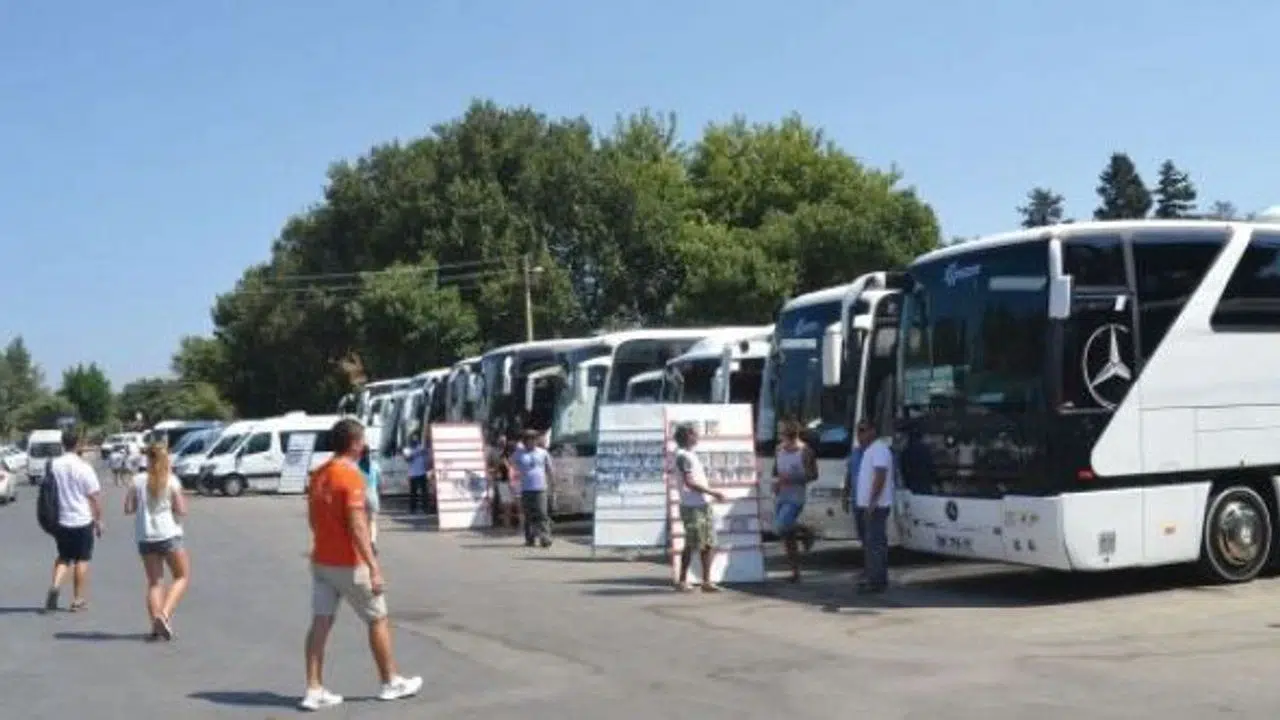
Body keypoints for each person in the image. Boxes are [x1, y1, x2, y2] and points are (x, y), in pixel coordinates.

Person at [301, 418, 421, 711]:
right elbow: (358, 526)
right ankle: (390, 681)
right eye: (362, 440)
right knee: (377, 618)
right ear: (355, 443)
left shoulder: (319, 474)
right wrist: (373, 566)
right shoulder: (351, 476)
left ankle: (314, 688)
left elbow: (313, 520)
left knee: (321, 622)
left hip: (322, 560)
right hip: (350, 562)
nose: (365, 444)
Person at [123, 443, 190, 640]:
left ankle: (155, 625)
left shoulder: (137, 481)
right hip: (169, 534)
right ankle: (164, 614)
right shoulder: (171, 480)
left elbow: (128, 508)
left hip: (146, 536)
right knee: (181, 576)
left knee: (154, 582)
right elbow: (182, 510)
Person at [43, 427, 103, 613]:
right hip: (81, 519)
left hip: (61, 519)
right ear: (78, 444)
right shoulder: (84, 467)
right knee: (82, 559)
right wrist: (99, 520)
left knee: (64, 557)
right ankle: (77, 599)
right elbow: (94, 496)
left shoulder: (53, 465)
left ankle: (55, 586)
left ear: (62, 444)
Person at [673, 423, 726, 593]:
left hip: (702, 504)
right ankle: (682, 580)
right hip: (691, 506)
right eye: (695, 434)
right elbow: (689, 482)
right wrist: (713, 492)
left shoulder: (690, 454)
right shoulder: (682, 456)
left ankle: (706, 581)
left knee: (708, 543)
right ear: (688, 436)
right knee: (692, 543)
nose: (697, 437)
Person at [772, 419, 818, 582]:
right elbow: (776, 472)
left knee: (781, 526)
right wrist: (776, 483)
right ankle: (795, 572)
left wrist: (792, 477)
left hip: (796, 496)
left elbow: (813, 474)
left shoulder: (805, 451)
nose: (781, 437)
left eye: (782, 433)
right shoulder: (779, 449)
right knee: (787, 536)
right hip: (781, 495)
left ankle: (807, 530)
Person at [852, 419, 895, 594]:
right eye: (858, 431)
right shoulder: (867, 451)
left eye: (863, 430)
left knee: (875, 543)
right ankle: (871, 576)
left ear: (873, 431)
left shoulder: (879, 449)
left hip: (876, 506)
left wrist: (872, 501)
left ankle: (877, 580)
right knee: (869, 543)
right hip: (866, 505)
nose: (860, 435)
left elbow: (880, 476)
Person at [508, 430, 553, 547]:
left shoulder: (543, 453)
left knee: (542, 513)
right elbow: (510, 464)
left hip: (540, 487)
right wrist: (513, 479)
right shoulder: (519, 453)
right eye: (529, 440)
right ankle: (530, 538)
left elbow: (549, 468)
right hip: (526, 488)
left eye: (534, 439)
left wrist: (552, 483)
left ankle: (545, 538)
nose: (532, 442)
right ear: (525, 441)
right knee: (528, 515)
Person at [357, 445, 381, 555]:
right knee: (372, 521)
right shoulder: (375, 465)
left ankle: (363, 544)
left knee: (361, 521)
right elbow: (379, 482)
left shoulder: (356, 466)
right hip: (372, 495)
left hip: (360, 495)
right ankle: (372, 542)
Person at [404, 438, 430, 515]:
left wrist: (424, 452)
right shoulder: (407, 450)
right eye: (412, 441)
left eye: (415, 441)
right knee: (413, 493)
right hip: (413, 474)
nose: (414, 443)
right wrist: (417, 453)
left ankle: (425, 508)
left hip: (422, 473)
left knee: (424, 493)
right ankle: (413, 509)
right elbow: (408, 459)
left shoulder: (422, 448)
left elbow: (427, 457)